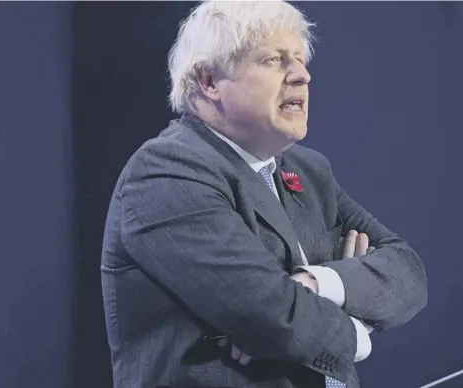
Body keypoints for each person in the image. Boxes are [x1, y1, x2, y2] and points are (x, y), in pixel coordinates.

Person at [101, 1, 428, 387]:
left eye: (301, 60)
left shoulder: (309, 171)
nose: (302, 75)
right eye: (274, 60)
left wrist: (317, 283)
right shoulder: (167, 171)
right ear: (209, 82)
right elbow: (270, 317)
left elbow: (408, 273)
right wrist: (358, 330)